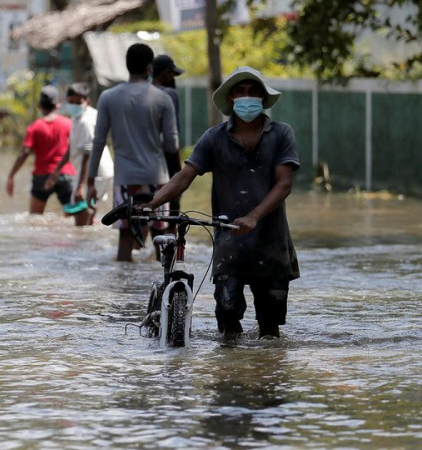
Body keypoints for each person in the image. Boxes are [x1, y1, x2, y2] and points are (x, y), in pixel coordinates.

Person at [143, 66, 300, 339]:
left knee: (270, 330)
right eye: (241, 92)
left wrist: (253, 216)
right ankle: (230, 375)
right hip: (229, 245)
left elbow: (284, 184)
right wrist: (152, 203)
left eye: (253, 92)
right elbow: (184, 176)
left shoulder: (281, 134)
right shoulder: (214, 137)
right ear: (230, 98)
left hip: (271, 243)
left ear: (263, 99)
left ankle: (267, 376)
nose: (247, 97)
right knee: (227, 320)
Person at [87, 43, 179, 261]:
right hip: (157, 178)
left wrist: (90, 181)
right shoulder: (163, 98)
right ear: (149, 68)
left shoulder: (108, 97)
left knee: (125, 242)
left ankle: (125, 293)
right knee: (161, 242)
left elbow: (98, 142)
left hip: (126, 179)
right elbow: (171, 144)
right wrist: (179, 175)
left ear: (126, 66)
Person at [6, 85, 79, 222]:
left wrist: (11, 175)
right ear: (58, 105)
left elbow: (24, 152)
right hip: (65, 175)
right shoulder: (69, 124)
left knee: (35, 220)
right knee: (72, 220)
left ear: (39, 105)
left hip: (41, 177)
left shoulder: (35, 127)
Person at [45, 82, 114, 226]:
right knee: (88, 212)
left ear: (86, 101)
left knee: (81, 216)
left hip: (94, 174)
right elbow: (72, 147)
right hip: (94, 173)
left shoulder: (85, 121)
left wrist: (81, 186)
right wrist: (56, 171)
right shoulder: (80, 117)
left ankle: (83, 246)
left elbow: (87, 153)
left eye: (78, 102)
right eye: (71, 102)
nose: (74, 105)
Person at [152, 54, 185, 219]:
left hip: (139, 164)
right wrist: (179, 171)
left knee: (142, 217)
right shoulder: (170, 94)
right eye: (172, 74)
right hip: (164, 164)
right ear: (166, 73)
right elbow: (172, 137)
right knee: (169, 216)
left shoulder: (139, 93)